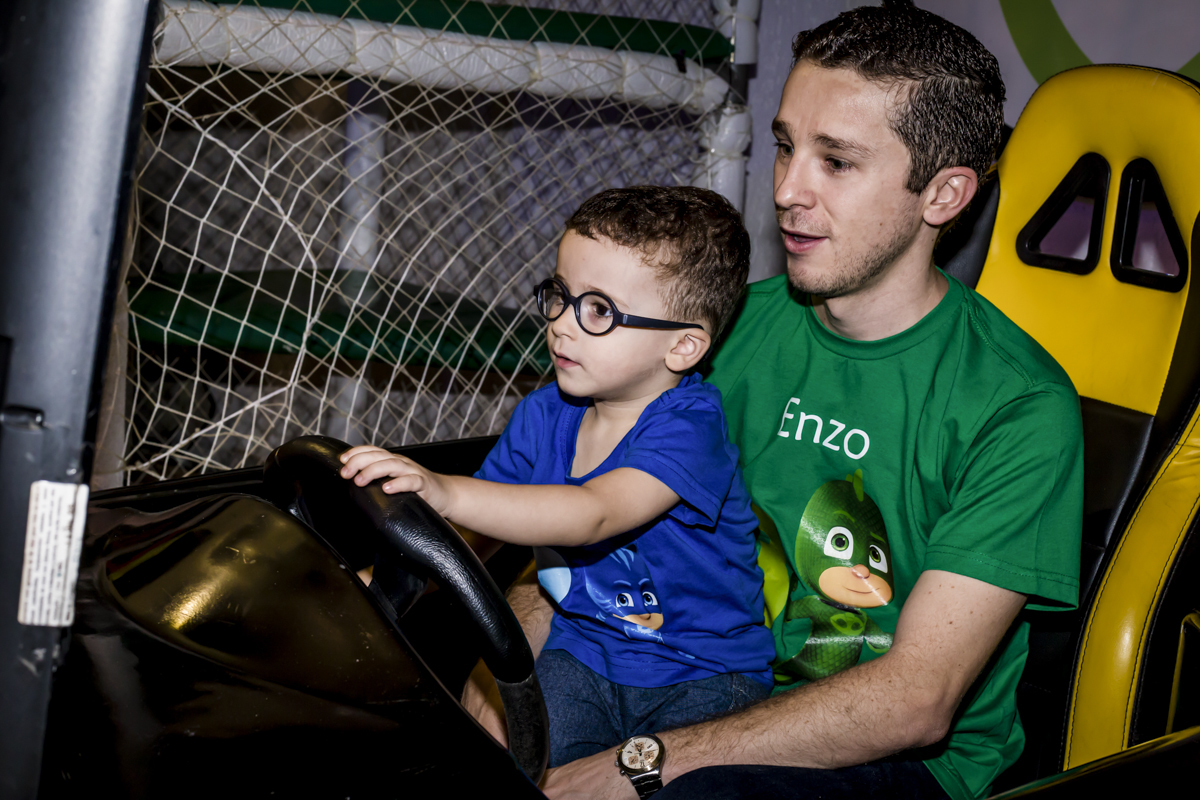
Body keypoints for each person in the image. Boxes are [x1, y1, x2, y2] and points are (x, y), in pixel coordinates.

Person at [481, 6, 1084, 800]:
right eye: (787, 146)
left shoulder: (1020, 405)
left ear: (944, 193)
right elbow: (574, 530)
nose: (789, 191)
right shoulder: (715, 332)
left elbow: (916, 702)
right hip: (675, 679)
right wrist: (505, 694)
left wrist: (641, 766)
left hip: (896, 764)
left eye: (837, 162)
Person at [339, 185, 776, 769]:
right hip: (585, 651)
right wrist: (378, 584)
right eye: (560, 295)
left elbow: (592, 513)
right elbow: (474, 536)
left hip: (703, 674)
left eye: (600, 311)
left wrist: (443, 488)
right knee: (523, 767)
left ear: (682, 346)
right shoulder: (544, 414)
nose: (563, 326)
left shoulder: (691, 428)